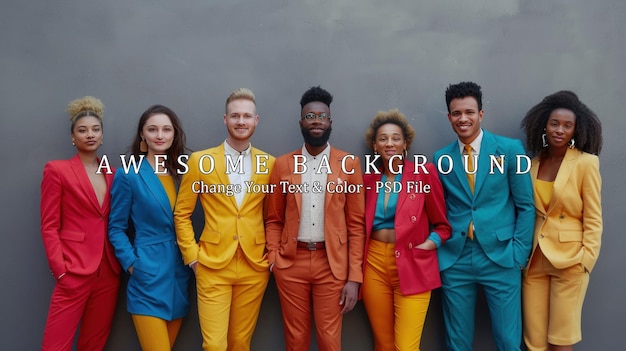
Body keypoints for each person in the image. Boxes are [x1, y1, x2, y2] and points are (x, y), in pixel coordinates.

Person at [433, 82, 535, 351]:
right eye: (456, 113)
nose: (463, 118)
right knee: (457, 343)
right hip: (456, 259)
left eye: (469, 112)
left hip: (502, 257)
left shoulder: (510, 150)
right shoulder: (440, 158)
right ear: (449, 117)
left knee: (508, 342)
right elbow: (439, 210)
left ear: (481, 114)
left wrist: (518, 255)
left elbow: (526, 206)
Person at [265, 86, 366, 351]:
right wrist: (274, 259)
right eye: (310, 116)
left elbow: (356, 225)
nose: (317, 120)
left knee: (329, 340)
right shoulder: (282, 164)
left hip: (332, 264)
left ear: (330, 122)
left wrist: (354, 277)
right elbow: (273, 219)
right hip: (291, 262)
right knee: (295, 340)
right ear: (301, 122)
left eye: (322, 116)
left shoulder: (349, 164)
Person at [174, 88, 275, 351]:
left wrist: (271, 257)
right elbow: (182, 213)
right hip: (212, 265)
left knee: (241, 343)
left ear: (256, 120)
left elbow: (275, 216)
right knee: (214, 345)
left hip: (254, 266)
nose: (241, 121)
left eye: (247, 116)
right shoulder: (200, 161)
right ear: (225, 120)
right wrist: (193, 258)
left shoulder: (271, 164)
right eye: (235, 116)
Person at [361, 109, 451, 350]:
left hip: (413, 261)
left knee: (406, 347)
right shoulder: (366, 180)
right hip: (374, 263)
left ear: (405, 143)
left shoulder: (424, 174)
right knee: (383, 344)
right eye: (383, 138)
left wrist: (429, 244)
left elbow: (443, 225)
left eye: (395, 138)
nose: (389, 143)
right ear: (374, 145)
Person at [520, 91, 603, 351]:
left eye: (568, 125)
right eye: (555, 123)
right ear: (544, 124)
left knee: (560, 339)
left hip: (570, 260)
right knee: (534, 342)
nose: (560, 130)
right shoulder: (533, 164)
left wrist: (585, 261)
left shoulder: (586, 163)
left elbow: (593, 217)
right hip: (535, 261)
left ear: (576, 130)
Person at [40, 96, 121, 351]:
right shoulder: (57, 170)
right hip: (73, 270)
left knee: (94, 344)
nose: (90, 135)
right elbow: (49, 225)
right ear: (73, 137)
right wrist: (60, 269)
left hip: (108, 271)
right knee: (55, 345)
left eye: (96, 130)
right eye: (82, 130)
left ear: (102, 136)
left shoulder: (113, 172)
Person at [108, 105, 191, 350]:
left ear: (174, 134)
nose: (160, 135)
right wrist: (133, 265)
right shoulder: (129, 174)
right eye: (152, 129)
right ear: (142, 135)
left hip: (179, 275)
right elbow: (116, 227)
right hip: (147, 275)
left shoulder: (183, 173)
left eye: (166, 129)